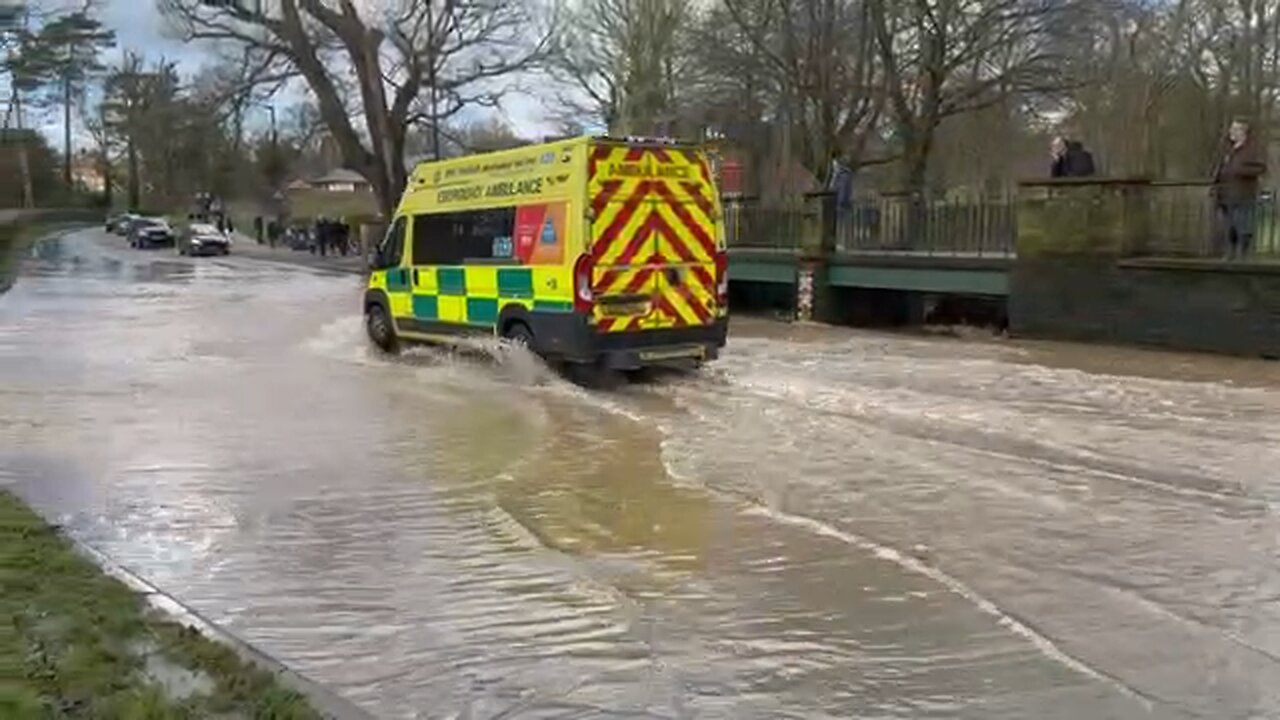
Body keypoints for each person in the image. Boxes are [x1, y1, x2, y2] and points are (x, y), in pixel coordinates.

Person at [1212, 118, 1267, 260]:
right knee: (1229, 228)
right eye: (1231, 129)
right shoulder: (1228, 150)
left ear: (1243, 132)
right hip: (1226, 195)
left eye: (1235, 129)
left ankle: (1243, 257)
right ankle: (1229, 255)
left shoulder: (1252, 151)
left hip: (1242, 196)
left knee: (1243, 228)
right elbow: (1221, 169)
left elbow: (1261, 168)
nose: (1231, 132)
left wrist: (1240, 170)